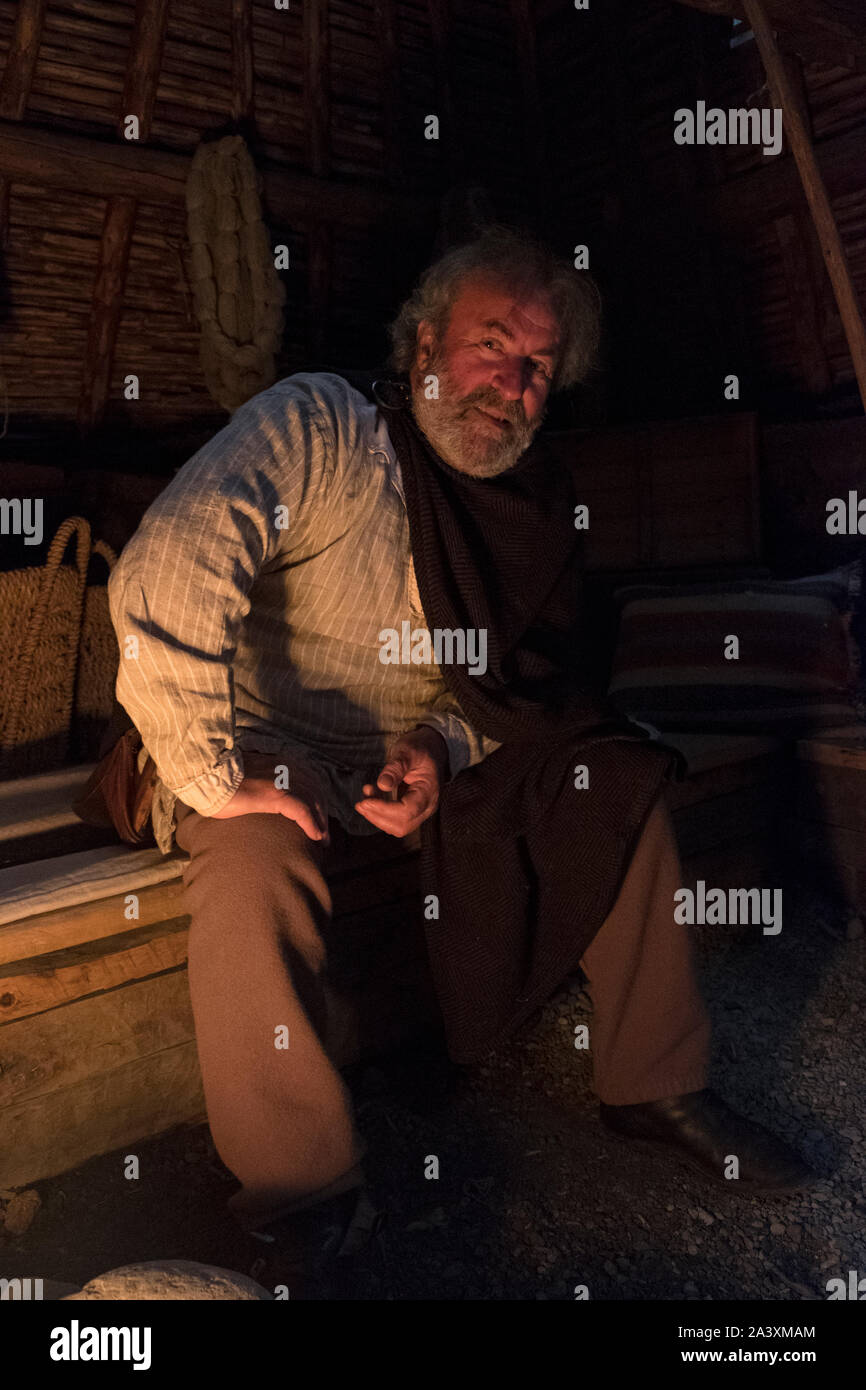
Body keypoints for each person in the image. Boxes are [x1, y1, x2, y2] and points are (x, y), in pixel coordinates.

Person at [108, 224, 813, 1295]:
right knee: (253, 853)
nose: (512, 384)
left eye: (538, 367)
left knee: (611, 772)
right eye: (492, 344)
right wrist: (213, 774)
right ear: (426, 339)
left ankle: (651, 1080)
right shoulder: (319, 425)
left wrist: (437, 749)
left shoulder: (530, 508)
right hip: (255, 736)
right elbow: (169, 568)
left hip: (400, 756)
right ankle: (306, 1196)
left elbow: (509, 694)